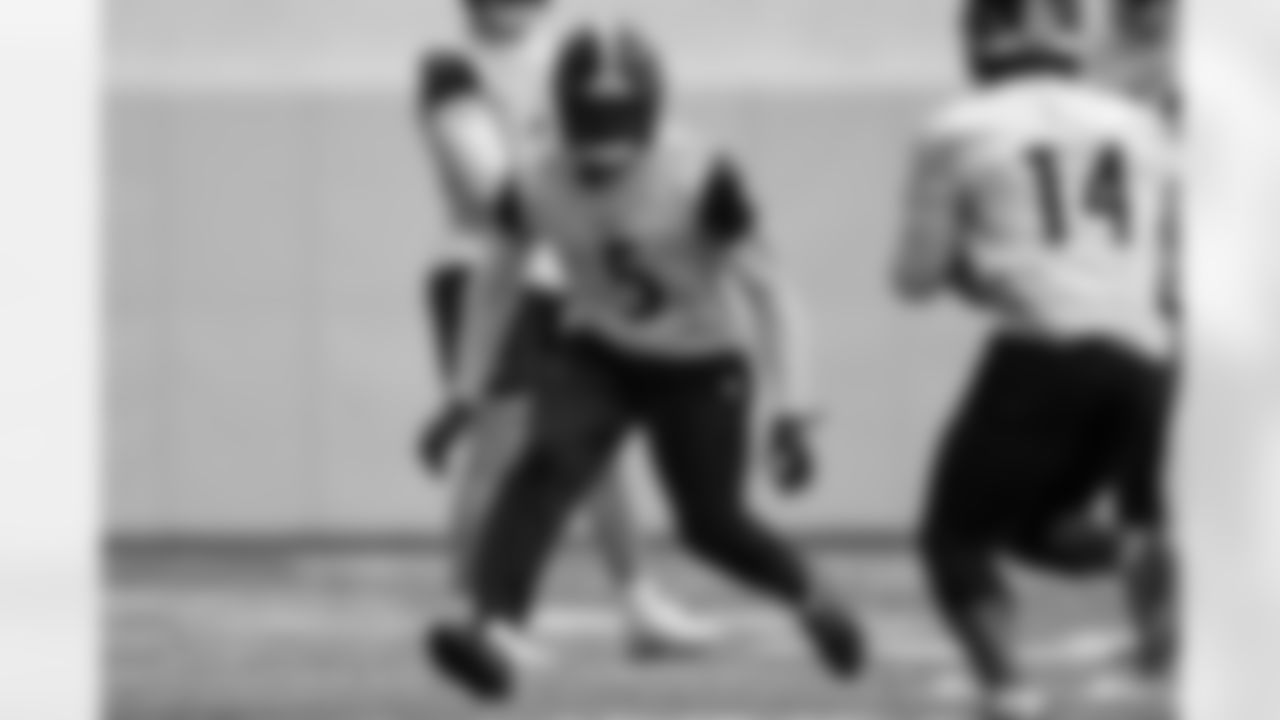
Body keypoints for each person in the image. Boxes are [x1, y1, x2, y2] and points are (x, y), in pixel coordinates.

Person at [425, 22, 865, 701]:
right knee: (548, 459)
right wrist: (463, 392)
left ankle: (812, 598)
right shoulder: (535, 177)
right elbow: (495, 281)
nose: (600, 159)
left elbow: (770, 289)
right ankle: (488, 629)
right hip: (599, 349)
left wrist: (796, 407)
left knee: (711, 526)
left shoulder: (702, 174)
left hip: (700, 362)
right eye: (587, 131)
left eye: (615, 133)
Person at [894, 0, 1180, 717]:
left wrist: (977, 266)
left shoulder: (957, 129)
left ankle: (1007, 693)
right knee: (1038, 526)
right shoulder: (1139, 125)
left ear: (985, 38)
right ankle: (1164, 600)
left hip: (1042, 354)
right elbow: (1171, 270)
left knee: (953, 539)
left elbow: (916, 278)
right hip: (1148, 355)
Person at [413, 0, 718, 663]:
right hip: (484, 272)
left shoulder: (560, 58)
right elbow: (489, 186)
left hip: (561, 273)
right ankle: (479, 616)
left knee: (594, 441)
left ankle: (638, 601)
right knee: (498, 446)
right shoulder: (452, 69)